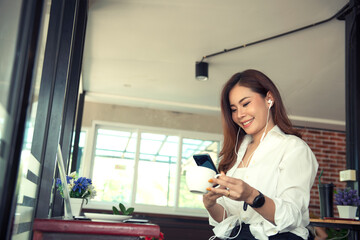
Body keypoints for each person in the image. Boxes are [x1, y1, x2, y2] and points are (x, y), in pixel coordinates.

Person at [203, 69, 318, 240]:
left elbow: (292, 216)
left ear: (269, 98)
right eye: (234, 109)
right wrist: (210, 204)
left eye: (246, 103)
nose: (240, 115)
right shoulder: (234, 153)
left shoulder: (293, 148)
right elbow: (232, 220)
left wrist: (251, 196)